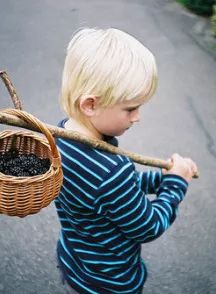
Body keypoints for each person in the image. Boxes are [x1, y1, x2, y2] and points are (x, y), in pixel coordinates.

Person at [54, 27, 198, 294]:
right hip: (111, 280)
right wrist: (175, 185)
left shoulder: (59, 138)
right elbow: (149, 226)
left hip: (76, 261)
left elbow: (111, 195)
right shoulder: (111, 171)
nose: (137, 117)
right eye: (131, 108)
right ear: (90, 105)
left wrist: (162, 177)